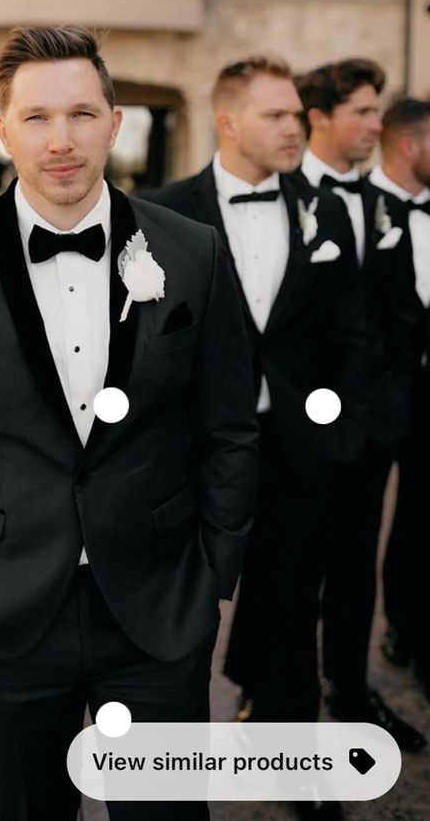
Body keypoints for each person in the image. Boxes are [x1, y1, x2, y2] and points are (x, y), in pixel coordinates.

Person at [0, 25, 258, 821]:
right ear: (2, 129)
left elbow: (228, 427)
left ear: (115, 124)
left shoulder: (193, 253)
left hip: (158, 611)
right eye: (38, 118)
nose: (61, 141)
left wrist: (213, 573)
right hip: (0, 616)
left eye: (82, 114)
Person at [143, 54, 367, 821]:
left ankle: (292, 761)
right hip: (198, 456)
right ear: (227, 120)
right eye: (277, 115)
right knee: (183, 616)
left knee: (292, 600)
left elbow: (349, 335)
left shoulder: (324, 211)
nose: (295, 128)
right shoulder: (163, 215)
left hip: (301, 447)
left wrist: (338, 428)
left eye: (299, 116)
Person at [297, 61, 425, 752]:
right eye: (365, 112)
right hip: (297, 432)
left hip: (372, 430)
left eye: (380, 115)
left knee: (353, 568)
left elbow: (401, 314)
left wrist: (390, 406)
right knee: (286, 574)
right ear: (320, 117)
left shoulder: (383, 204)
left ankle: (349, 689)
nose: (378, 127)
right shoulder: (287, 198)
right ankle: (273, 692)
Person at [367, 98, 430, 704]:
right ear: (411, 145)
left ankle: (414, 629)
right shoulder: (354, 210)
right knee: (358, 529)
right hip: (374, 400)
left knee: (422, 516)